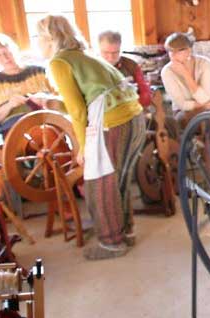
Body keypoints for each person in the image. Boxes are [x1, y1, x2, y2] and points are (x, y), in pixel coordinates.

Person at [36, 15, 146, 261]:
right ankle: (126, 231)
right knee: (120, 179)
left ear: (47, 38)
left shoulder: (59, 62)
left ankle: (112, 243)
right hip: (134, 117)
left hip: (112, 123)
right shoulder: (86, 56)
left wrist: (82, 148)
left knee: (99, 183)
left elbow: (77, 110)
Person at [0, 33, 54, 138]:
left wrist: (46, 99)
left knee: (49, 135)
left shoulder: (40, 72)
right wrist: (9, 105)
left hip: (50, 125)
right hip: (16, 135)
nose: (5, 58)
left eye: (7, 52)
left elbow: (61, 99)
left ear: (15, 50)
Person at [161, 32, 210, 130]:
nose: (173, 55)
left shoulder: (206, 64)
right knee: (208, 117)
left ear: (188, 50)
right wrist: (209, 104)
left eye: (178, 51)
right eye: (170, 51)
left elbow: (203, 98)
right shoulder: (167, 72)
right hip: (184, 111)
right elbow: (182, 104)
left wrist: (186, 75)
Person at [98, 30, 151, 108]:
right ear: (99, 49)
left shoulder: (131, 65)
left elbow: (145, 94)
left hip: (132, 109)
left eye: (115, 52)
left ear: (120, 48)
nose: (110, 57)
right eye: (105, 52)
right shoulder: (91, 67)